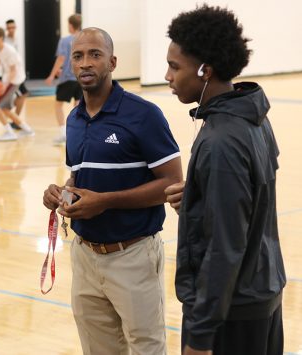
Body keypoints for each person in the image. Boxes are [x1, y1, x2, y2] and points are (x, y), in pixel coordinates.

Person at [43, 27, 182, 354]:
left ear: (113, 62)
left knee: (146, 348)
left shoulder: (143, 115)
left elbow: (172, 183)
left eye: (95, 54)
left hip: (132, 255)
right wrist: (59, 196)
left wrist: (105, 203)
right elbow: (78, 180)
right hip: (85, 257)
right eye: (78, 56)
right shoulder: (74, 120)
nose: (85, 63)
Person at [163, 5, 286, 355]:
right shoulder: (253, 118)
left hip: (230, 311)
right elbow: (253, 192)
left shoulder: (220, 141)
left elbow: (225, 246)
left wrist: (200, 338)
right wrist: (202, 194)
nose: (168, 76)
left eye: (175, 66)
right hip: (261, 292)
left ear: (206, 70)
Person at [0, 27, 34, 141]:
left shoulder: (9, 51)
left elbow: (14, 70)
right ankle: (27, 129)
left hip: (15, 80)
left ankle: (10, 132)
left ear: (0, 38)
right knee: (5, 108)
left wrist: (5, 86)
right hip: (8, 79)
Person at [45, 14, 83, 145]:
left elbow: (61, 58)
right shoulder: (84, 39)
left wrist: (52, 74)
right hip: (81, 77)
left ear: (71, 25)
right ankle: (77, 133)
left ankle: (63, 134)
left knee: (58, 106)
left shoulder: (65, 40)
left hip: (67, 78)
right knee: (78, 106)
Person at [5, 18, 28, 121]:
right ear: (6, 29)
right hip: (13, 75)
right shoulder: (6, 41)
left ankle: (15, 118)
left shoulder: (16, 39)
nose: (11, 29)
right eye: (9, 28)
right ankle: (15, 120)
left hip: (18, 73)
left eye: (13, 27)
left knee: (23, 95)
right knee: (23, 94)